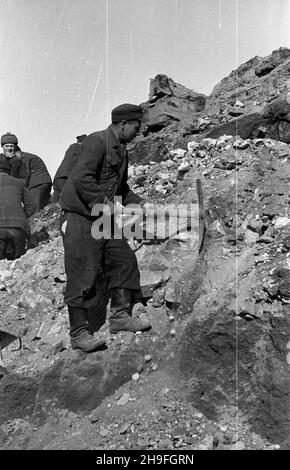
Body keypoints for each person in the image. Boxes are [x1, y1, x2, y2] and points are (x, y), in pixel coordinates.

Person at [60, 103, 151, 353]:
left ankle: (120, 317)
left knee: (123, 259)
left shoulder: (121, 151)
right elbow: (81, 180)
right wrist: (108, 207)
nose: (139, 131)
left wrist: (141, 203)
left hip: (101, 215)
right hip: (80, 215)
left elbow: (120, 189)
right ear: (123, 124)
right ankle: (79, 333)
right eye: (136, 126)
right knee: (82, 272)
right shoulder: (97, 142)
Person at [0, 160, 36, 260]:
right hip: (18, 230)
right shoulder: (19, 182)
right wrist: (21, 217)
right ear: (9, 170)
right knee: (17, 260)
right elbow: (32, 206)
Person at [15, 147, 52, 211]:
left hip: (37, 184)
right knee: (41, 206)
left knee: (32, 208)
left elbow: (25, 176)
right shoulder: (28, 156)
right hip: (45, 182)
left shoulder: (24, 158)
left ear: (18, 152)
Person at [52, 134, 87, 202]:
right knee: (72, 201)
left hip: (58, 178)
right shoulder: (77, 148)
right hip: (65, 177)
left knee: (54, 204)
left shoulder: (71, 148)